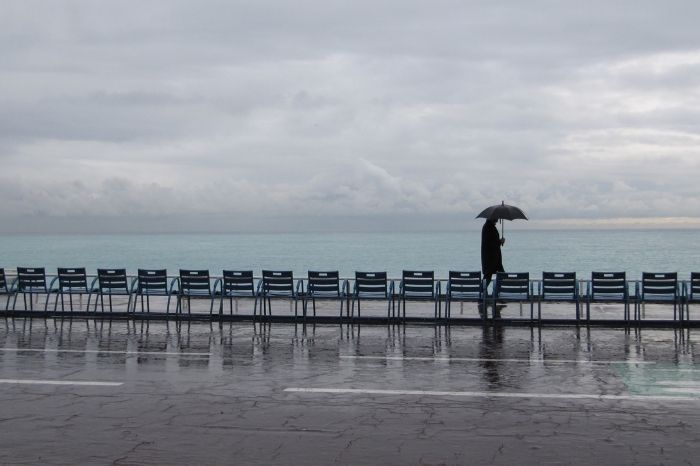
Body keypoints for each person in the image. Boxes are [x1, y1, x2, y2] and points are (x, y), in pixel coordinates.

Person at [481, 215, 505, 289]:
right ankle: (483, 295)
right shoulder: (488, 227)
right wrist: (500, 241)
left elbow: (491, 242)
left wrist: (499, 242)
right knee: (489, 277)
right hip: (490, 258)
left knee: (500, 275)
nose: (497, 219)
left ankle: (496, 295)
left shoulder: (489, 226)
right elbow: (490, 243)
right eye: (496, 217)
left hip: (493, 258)